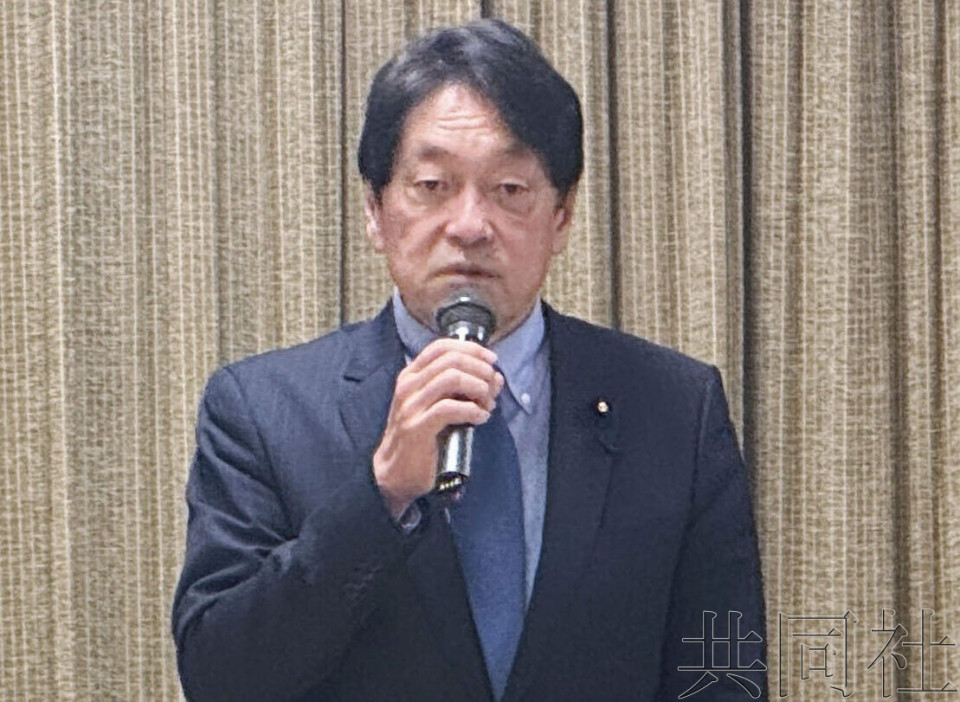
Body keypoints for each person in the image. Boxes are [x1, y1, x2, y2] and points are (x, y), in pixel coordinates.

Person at [172, 18, 766, 702]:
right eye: (432, 185)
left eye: (510, 189)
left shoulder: (676, 409)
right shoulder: (262, 410)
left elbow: (724, 673)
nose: (469, 225)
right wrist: (382, 495)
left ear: (562, 215)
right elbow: (220, 676)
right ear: (375, 210)